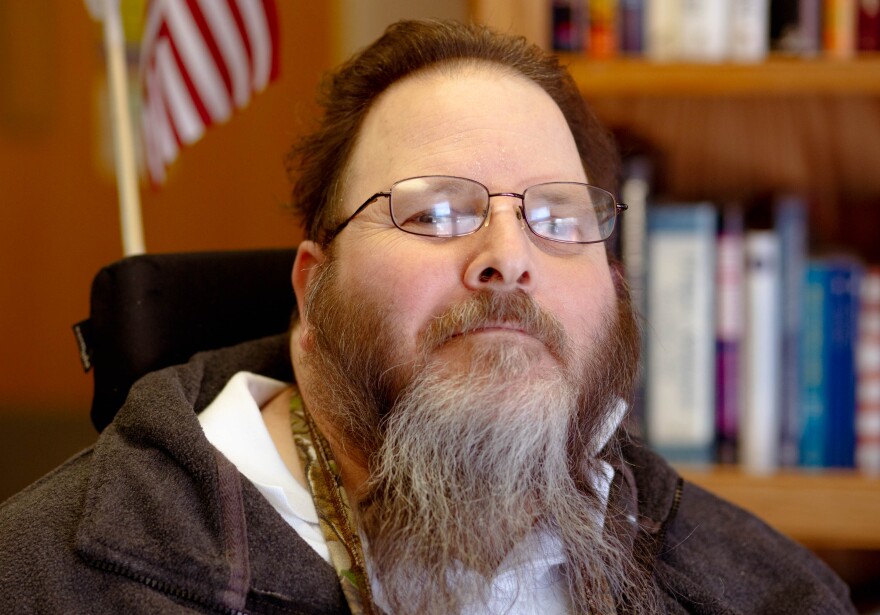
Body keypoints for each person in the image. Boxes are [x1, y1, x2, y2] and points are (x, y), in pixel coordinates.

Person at [0, 19, 855, 614]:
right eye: (437, 210)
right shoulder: (39, 578)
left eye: (559, 217)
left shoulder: (773, 590)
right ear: (312, 288)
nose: (509, 254)